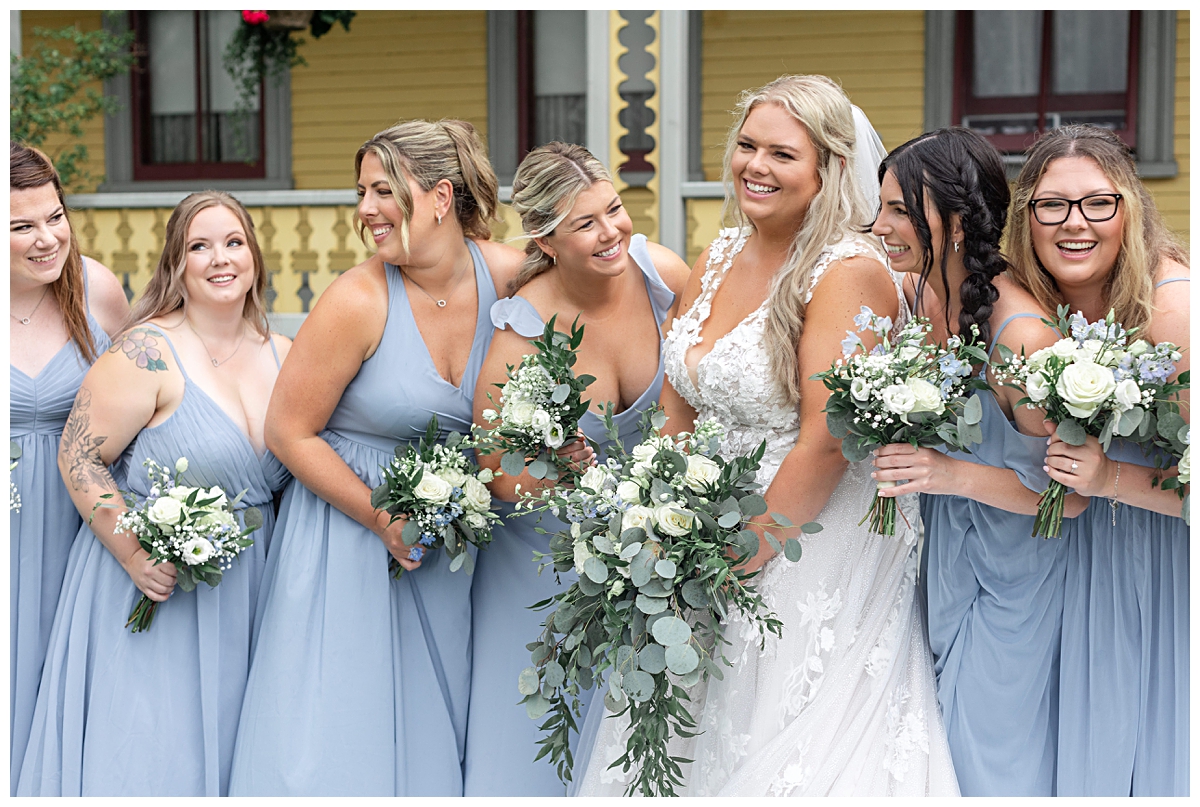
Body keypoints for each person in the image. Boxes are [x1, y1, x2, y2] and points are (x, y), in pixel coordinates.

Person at [575, 74, 958, 796]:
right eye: (747, 145)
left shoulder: (846, 272)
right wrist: (657, 510)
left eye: (781, 153)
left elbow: (826, 437)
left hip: (805, 527)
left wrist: (742, 554)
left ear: (828, 169)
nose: (755, 164)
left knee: (776, 720)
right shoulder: (719, 253)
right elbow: (679, 397)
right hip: (703, 518)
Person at [228, 119, 524, 796]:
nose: (365, 210)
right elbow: (288, 431)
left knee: (433, 724)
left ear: (441, 196)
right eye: (362, 191)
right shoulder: (355, 301)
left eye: (382, 190)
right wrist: (381, 515)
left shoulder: (509, 276)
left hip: (450, 544)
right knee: (338, 728)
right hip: (347, 536)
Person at [16, 190, 291, 796]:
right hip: (153, 591)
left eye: (234, 242)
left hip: (252, 594)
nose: (220, 259)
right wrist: (135, 554)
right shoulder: (145, 351)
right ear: (176, 264)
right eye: (200, 246)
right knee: (154, 763)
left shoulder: (286, 357)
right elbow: (79, 454)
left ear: (254, 256)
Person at [462, 142, 689, 796]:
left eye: (613, 209)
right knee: (536, 754)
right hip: (547, 566)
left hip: (656, 551)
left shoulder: (661, 275)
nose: (612, 231)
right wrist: (557, 470)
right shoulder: (521, 331)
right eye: (585, 223)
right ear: (545, 239)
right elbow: (499, 473)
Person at [868, 127, 1088, 795]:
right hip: (946, 564)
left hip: (1014, 579)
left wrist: (944, 473)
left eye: (900, 210)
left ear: (958, 224)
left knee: (986, 763)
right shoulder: (922, 296)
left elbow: (1072, 495)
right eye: (881, 207)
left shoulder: (1019, 334)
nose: (879, 227)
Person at [1005, 124, 1189, 796]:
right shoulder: (1030, 302)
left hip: (1159, 566)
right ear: (1027, 216)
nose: (1073, 223)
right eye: (1052, 204)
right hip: (1070, 564)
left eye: (1097, 203)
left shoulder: (1171, 310)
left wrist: (1112, 476)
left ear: (1128, 209)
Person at [8, 142, 129, 793]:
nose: (46, 238)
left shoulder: (97, 289)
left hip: (84, 528)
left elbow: (144, 399)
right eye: (21, 225)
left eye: (54, 216)